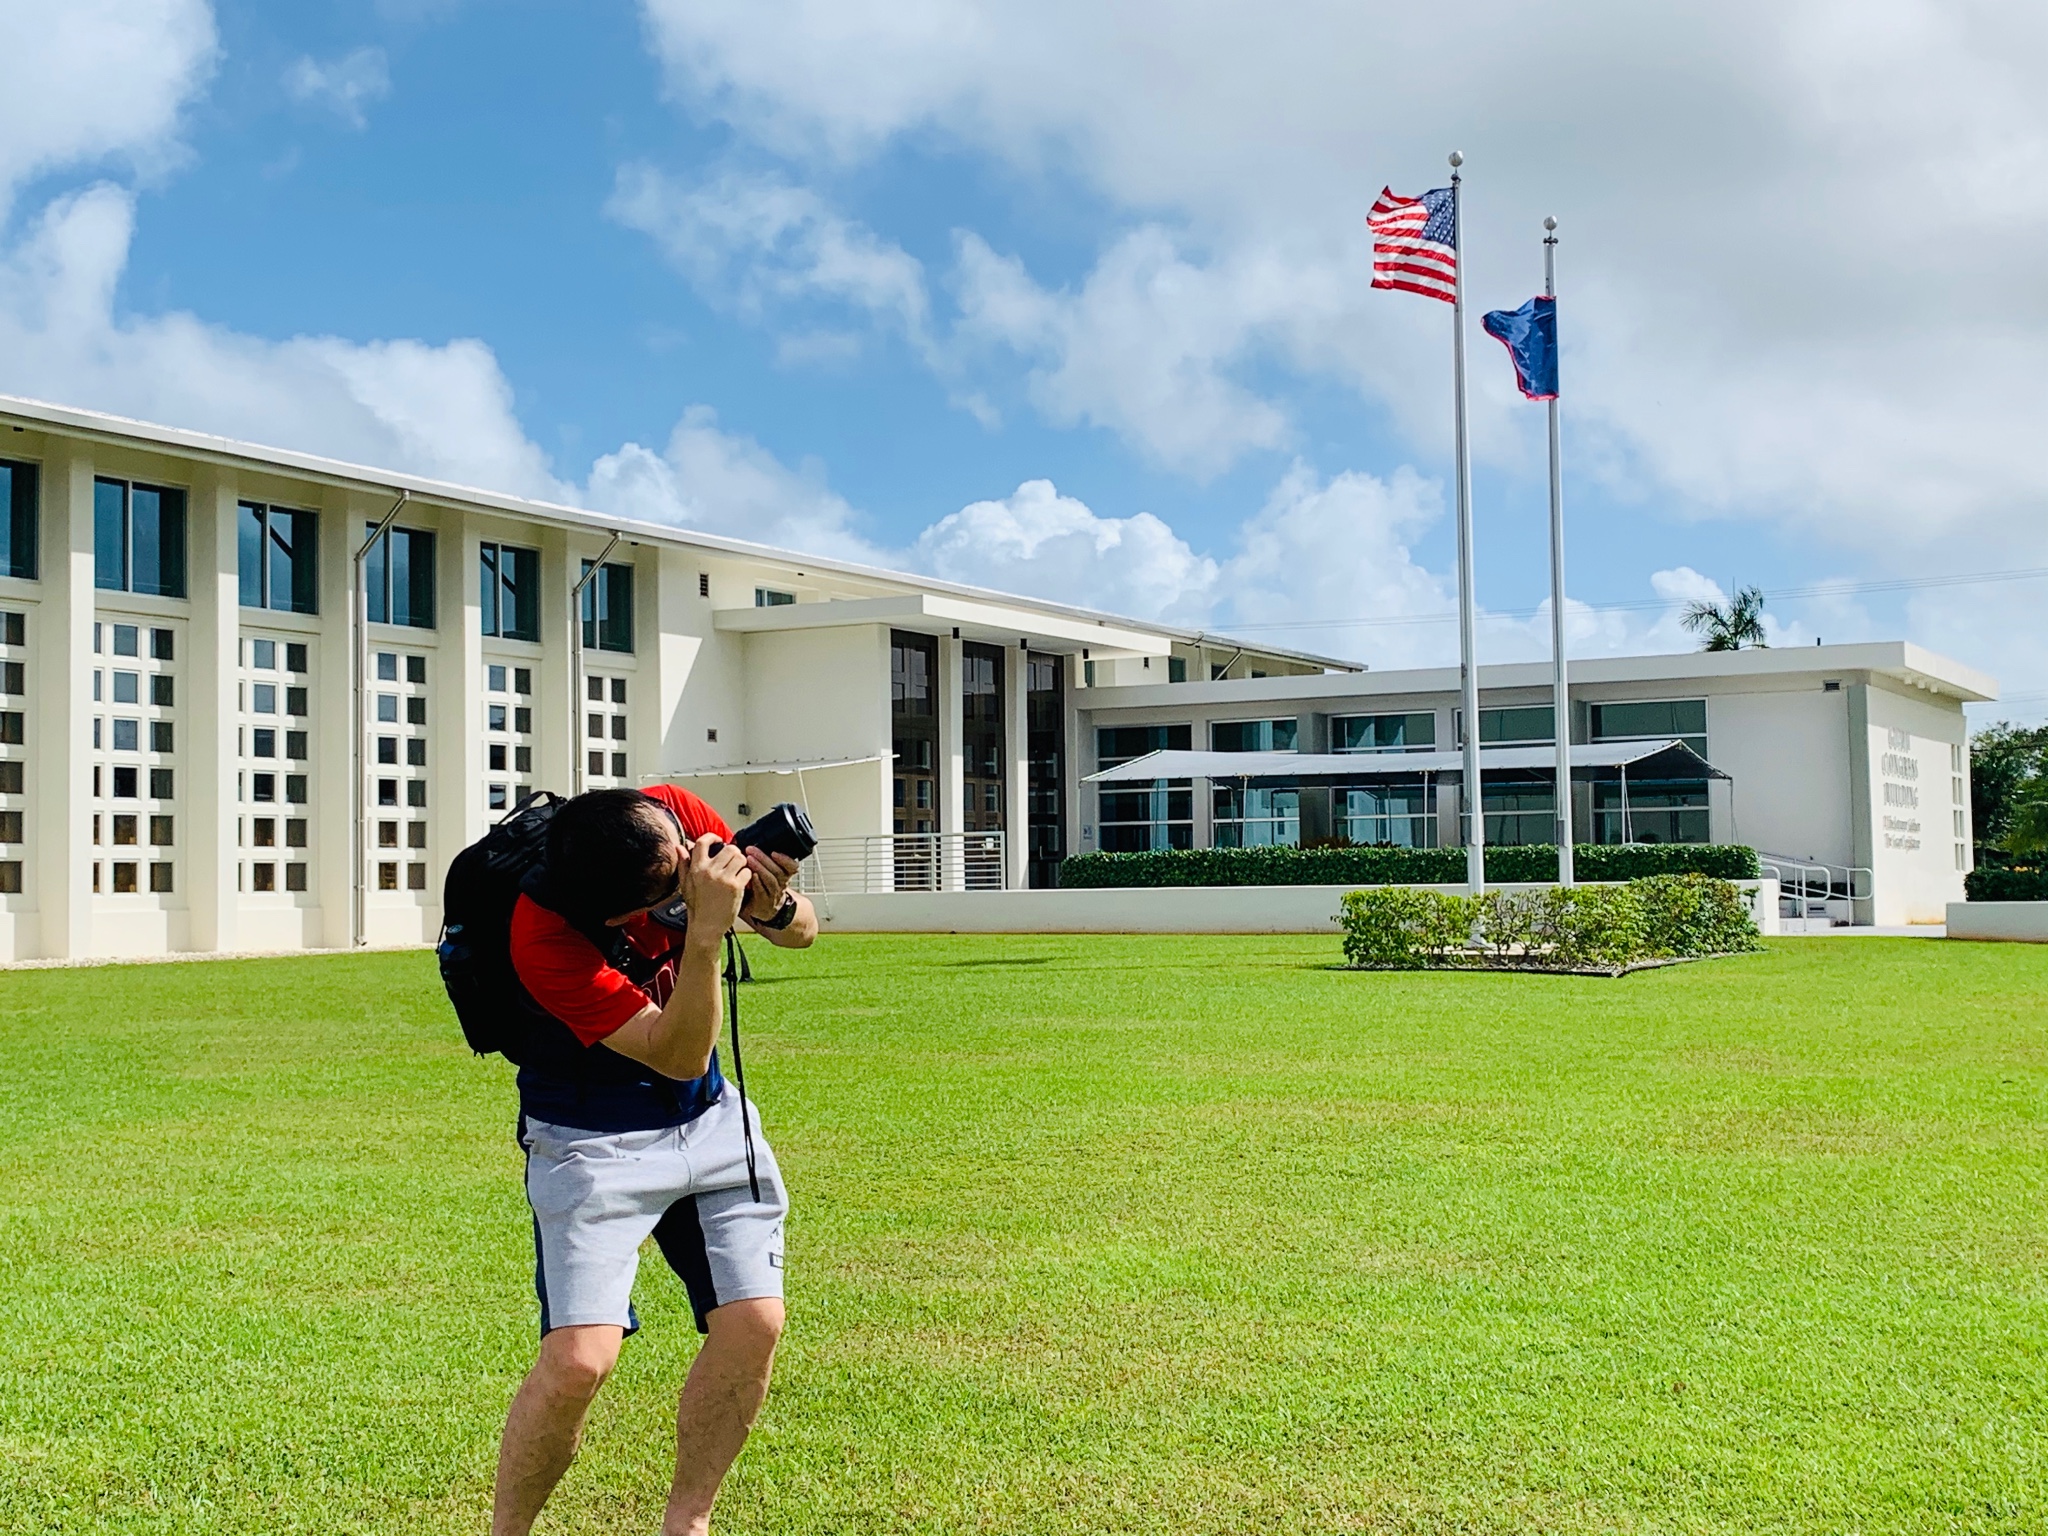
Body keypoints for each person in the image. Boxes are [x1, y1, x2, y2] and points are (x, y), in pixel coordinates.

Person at [490, 784, 817, 1536]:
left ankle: (687, 1524)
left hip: (707, 1122)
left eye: (682, 843)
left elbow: (803, 933)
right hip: (588, 1139)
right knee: (579, 1361)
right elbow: (675, 1052)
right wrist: (705, 932)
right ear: (620, 918)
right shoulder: (544, 936)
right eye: (676, 881)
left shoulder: (669, 816)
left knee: (755, 1320)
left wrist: (765, 906)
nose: (693, 862)